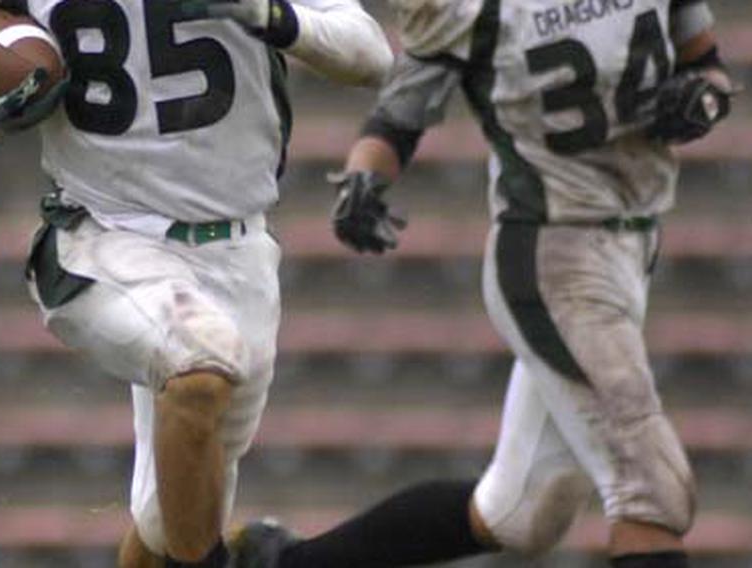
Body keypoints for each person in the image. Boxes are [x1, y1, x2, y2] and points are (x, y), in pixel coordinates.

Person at [0, 0, 392, 566]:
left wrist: (269, 15)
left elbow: (370, 55)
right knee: (200, 367)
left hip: (240, 250)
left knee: (167, 522)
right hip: (103, 236)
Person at [230, 0, 737, 567]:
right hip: (554, 257)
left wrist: (702, 98)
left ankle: (284, 564)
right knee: (653, 490)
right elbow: (402, 112)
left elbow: (707, 66)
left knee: (518, 513)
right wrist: (364, 177)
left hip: (632, 242)